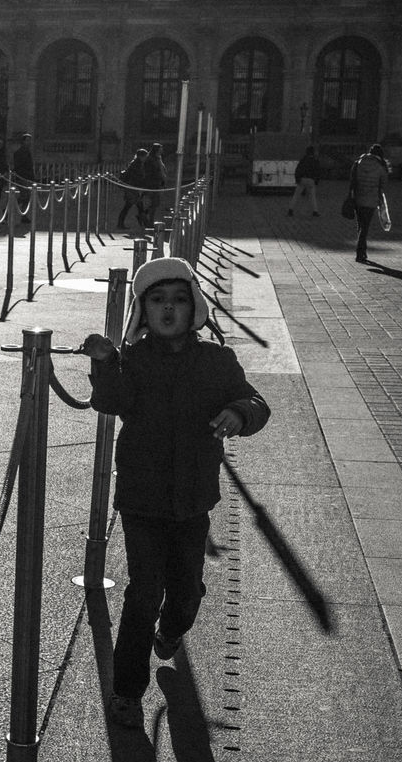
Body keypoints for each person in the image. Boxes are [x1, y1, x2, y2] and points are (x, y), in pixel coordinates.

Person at [81, 256, 271, 729]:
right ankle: (127, 691)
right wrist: (104, 362)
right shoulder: (134, 361)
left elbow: (255, 401)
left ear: (195, 307)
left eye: (179, 300)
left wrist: (239, 412)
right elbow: (110, 400)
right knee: (143, 593)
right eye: (158, 301)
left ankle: (172, 630)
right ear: (143, 311)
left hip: (193, 498)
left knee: (186, 591)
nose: (168, 309)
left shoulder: (216, 361)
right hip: (141, 500)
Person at [350, 143, 389, 263]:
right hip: (371, 200)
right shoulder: (380, 165)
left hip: (358, 198)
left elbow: (352, 179)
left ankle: (362, 251)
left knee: (361, 225)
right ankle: (360, 253)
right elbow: (384, 184)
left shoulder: (359, 162)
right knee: (365, 227)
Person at [116, 148, 149, 231]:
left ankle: (145, 223)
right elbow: (136, 177)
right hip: (132, 189)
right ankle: (120, 223)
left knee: (138, 206)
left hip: (133, 188)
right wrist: (141, 185)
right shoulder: (136, 164)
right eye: (145, 156)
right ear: (141, 156)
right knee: (128, 206)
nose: (146, 158)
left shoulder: (137, 163)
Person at [286, 145, 322, 217]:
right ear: (313, 152)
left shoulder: (303, 160)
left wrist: (297, 179)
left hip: (302, 179)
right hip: (311, 180)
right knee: (312, 196)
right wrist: (316, 181)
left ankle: (290, 210)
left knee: (296, 195)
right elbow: (318, 172)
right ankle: (315, 211)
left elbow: (298, 170)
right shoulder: (315, 161)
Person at [140, 142, 168, 228]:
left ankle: (145, 216)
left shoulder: (158, 158)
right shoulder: (150, 159)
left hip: (157, 184)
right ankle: (148, 220)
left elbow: (161, 170)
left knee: (155, 203)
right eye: (160, 149)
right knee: (154, 203)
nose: (162, 150)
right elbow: (150, 172)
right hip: (151, 184)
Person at [11, 132, 34, 221]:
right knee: (24, 196)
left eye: (30, 141)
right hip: (21, 177)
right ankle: (9, 208)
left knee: (27, 197)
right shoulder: (18, 153)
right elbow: (18, 166)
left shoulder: (28, 152)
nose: (29, 142)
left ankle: (23, 215)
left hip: (28, 177)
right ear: (23, 141)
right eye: (27, 140)